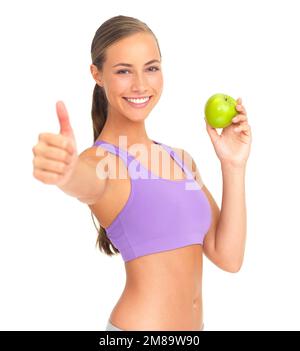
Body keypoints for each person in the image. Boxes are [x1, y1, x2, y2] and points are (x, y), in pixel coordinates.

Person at [32, 15, 252, 331]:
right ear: (97, 74)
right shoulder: (103, 161)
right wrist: (66, 171)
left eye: (151, 68)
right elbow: (86, 180)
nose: (140, 85)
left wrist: (233, 165)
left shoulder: (180, 160)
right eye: (123, 71)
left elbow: (228, 257)